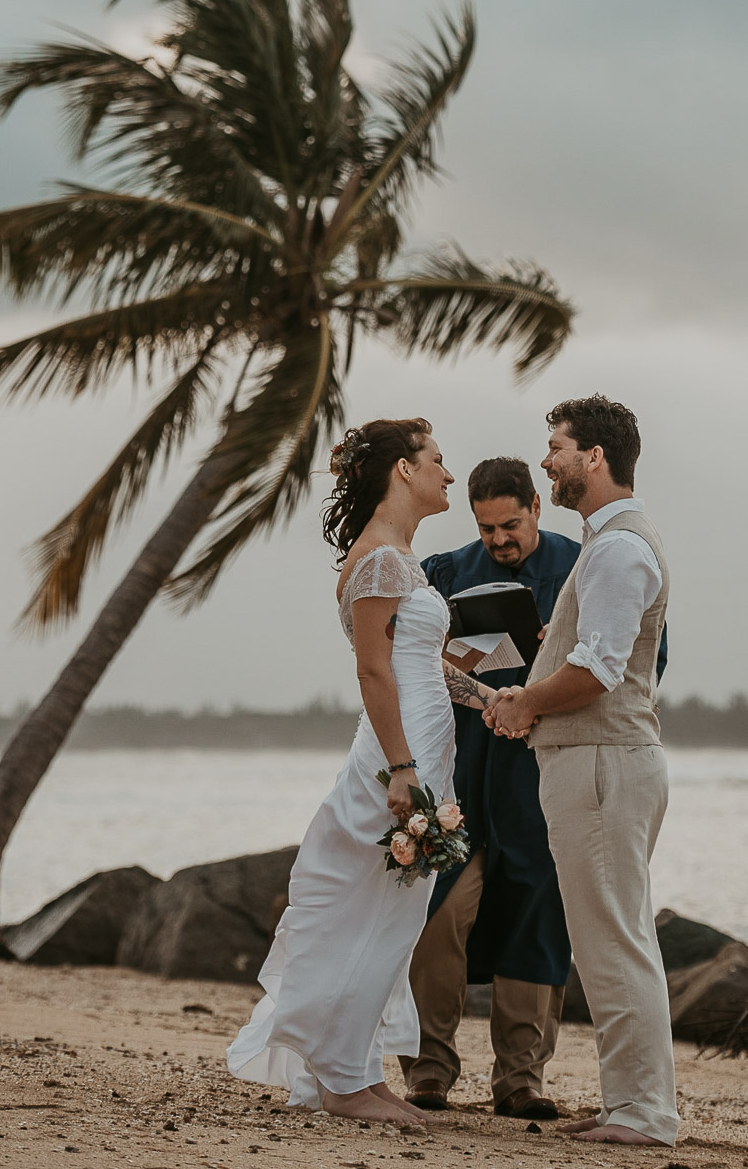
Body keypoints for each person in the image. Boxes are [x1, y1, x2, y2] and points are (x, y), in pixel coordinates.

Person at [227, 417, 499, 1124]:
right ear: (403, 470)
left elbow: (425, 665)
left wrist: (487, 696)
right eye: (438, 460)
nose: (448, 473)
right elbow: (375, 673)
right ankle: (344, 1081)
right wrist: (403, 770)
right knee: (367, 911)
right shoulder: (379, 561)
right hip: (396, 756)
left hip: (423, 750)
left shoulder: (400, 557)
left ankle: (357, 1071)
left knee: (393, 915)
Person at [487, 395, 679, 1149]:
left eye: (557, 447)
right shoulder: (608, 545)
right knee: (611, 937)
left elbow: (598, 670)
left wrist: (523, 703)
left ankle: (643, 1114)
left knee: (612, 940)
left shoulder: (619, 549)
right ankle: (631, 1102)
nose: (547, 460)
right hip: (597, 763)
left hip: (603, 763)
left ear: (594, 457)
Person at [400, 456, 576, 1119]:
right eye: (487, 528)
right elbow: (412, 662)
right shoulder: (446, 572)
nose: (499, 539)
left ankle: (521, 1079)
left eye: (511, 524)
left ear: (537, 504)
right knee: (437, 913)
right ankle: (427, 1069)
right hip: (462, 774)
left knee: (537, 919)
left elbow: (640, 657)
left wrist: (551, 653)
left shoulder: (581, 568)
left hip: (541, 780)